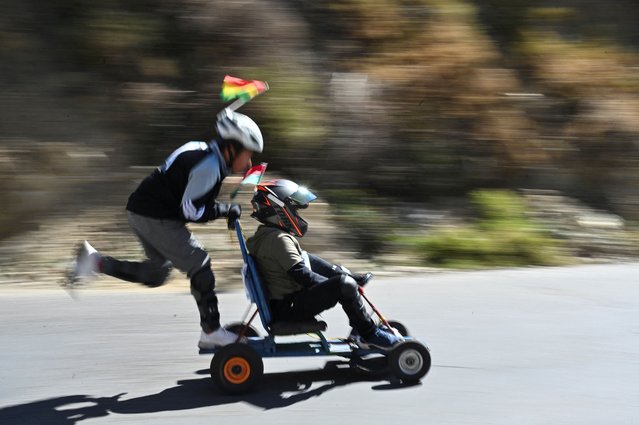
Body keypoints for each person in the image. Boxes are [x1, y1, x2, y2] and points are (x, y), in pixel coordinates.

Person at [70, 108, 263, 348]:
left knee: (157, 274)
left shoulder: (202, 152)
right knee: (199, 264)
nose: (250, 161)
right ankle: (212, 332)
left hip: (143, 211)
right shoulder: (209, 167)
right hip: (154, 216)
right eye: (248, 153)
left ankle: (95, 262)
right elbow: (190, 211)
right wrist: (224, 210)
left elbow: (188, 198)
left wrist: (222, 208)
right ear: (232, 147)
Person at [245, 179, 402, 349]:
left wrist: (344, 276)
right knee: (344, 285)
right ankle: (369, 334)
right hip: (288, 309)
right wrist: (341, 287)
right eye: (295, 209)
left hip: (282, 305)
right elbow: (301, 274)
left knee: (341, 279)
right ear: (279, 208)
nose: (298, 215)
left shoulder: (266, 236)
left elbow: (306, 260)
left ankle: (359, 317)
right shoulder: (278, 239)